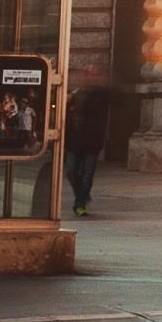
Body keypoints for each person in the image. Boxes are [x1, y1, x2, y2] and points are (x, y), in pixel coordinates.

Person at [62, 70, 114, 218]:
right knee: (71, 171)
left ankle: (80, 204)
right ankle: (83, 194)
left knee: (87, 174)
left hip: (92, 140)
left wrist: (74, 99)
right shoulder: (77, 92)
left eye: (93, 74)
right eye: (87, 74)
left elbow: (91, 109)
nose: (90, 77)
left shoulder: (100, 94)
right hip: (75, 141)